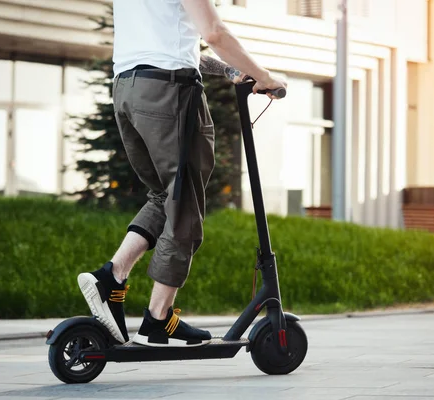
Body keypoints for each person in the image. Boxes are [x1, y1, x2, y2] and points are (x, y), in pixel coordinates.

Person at [78, 0, 287, 347]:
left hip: (129, 90)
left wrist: (227, 69)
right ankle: (158, 319)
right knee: (185, 202)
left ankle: (110, 279)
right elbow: (214, 32)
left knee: (165, 194)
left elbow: (168, 44)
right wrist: (264, 77)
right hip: (171, 94)